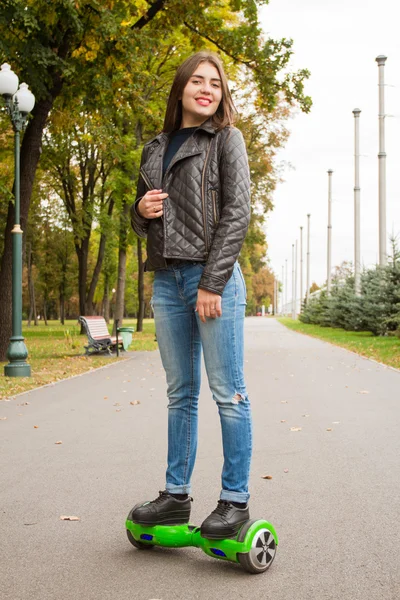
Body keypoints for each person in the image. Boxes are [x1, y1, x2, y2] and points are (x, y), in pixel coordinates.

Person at [130, 51, 252, 540]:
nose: (207, 89)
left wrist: (211, 283)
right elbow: (144, 222)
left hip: (210, 279)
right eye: (198, 81)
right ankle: (175, 496)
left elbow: (237, 213)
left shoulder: (226, 139)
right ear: (180, 88)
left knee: (229, 393)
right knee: (180, 395)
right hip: (166, 281)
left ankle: (235, 501)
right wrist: (140, 210)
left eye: (216, 84)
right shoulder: (154, 148)